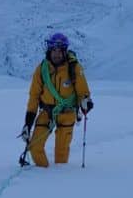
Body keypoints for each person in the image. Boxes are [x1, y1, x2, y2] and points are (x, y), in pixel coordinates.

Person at [19, 32, 93, 167]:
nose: (56, 54)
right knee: (35, 147)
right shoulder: (42, 69)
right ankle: (43, 176)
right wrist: (28, 124)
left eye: (60, 50)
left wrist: (85, 102)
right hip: (47, 112)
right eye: (54, 50)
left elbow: (83, 92)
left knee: (61, 153)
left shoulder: (74, 68)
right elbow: (34, 96)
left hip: (67, 113)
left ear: (65, 51)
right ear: (49, 50)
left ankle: (59, 181)